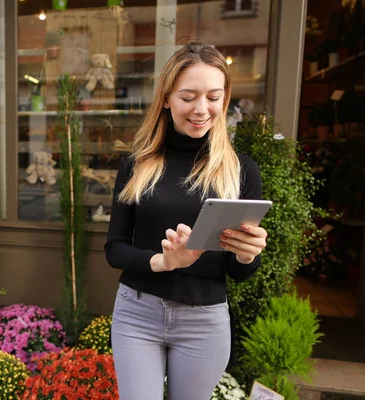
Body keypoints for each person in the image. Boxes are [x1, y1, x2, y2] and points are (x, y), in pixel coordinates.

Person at [105, 42, 268, 400]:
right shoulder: (137, 165)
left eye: (213, 97)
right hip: (138, 313)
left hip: (205, 321)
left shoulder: (241, 172)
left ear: (224, 100)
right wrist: (163, 262)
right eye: (188, 96)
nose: (201, 109)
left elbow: (238, 274)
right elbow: (115, 249)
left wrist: (247, 254)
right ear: (166, 98)